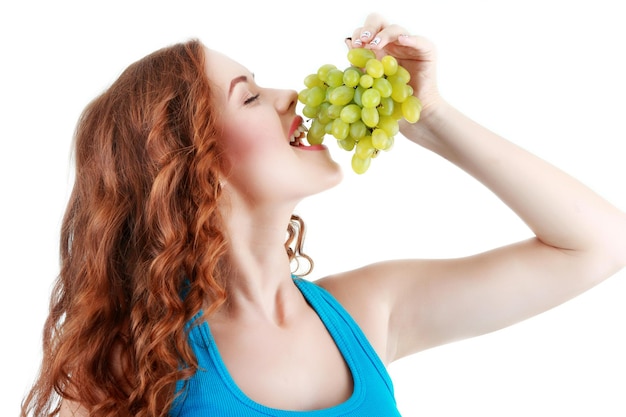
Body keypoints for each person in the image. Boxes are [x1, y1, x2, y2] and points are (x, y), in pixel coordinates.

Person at [21, 12, 626, 417]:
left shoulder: (367, 313)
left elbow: (598, 244)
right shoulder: (132, 361)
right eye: (251, 96)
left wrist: (434, 117)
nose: (294, 97)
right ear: (190, 162)